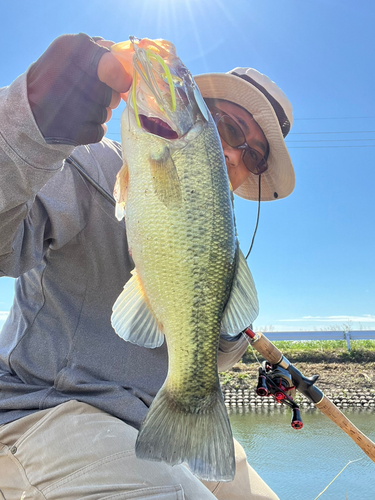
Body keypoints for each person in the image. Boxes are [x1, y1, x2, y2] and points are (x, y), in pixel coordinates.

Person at [0, 34, 294, 499]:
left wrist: (226, 326)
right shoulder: (88, 165)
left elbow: (217, 355)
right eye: (226, 127)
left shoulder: (218, 232)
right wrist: (35, 116)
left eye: (253, 154)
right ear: (196, 116)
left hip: (154, 416)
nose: (235, 154)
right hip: (46, 409)